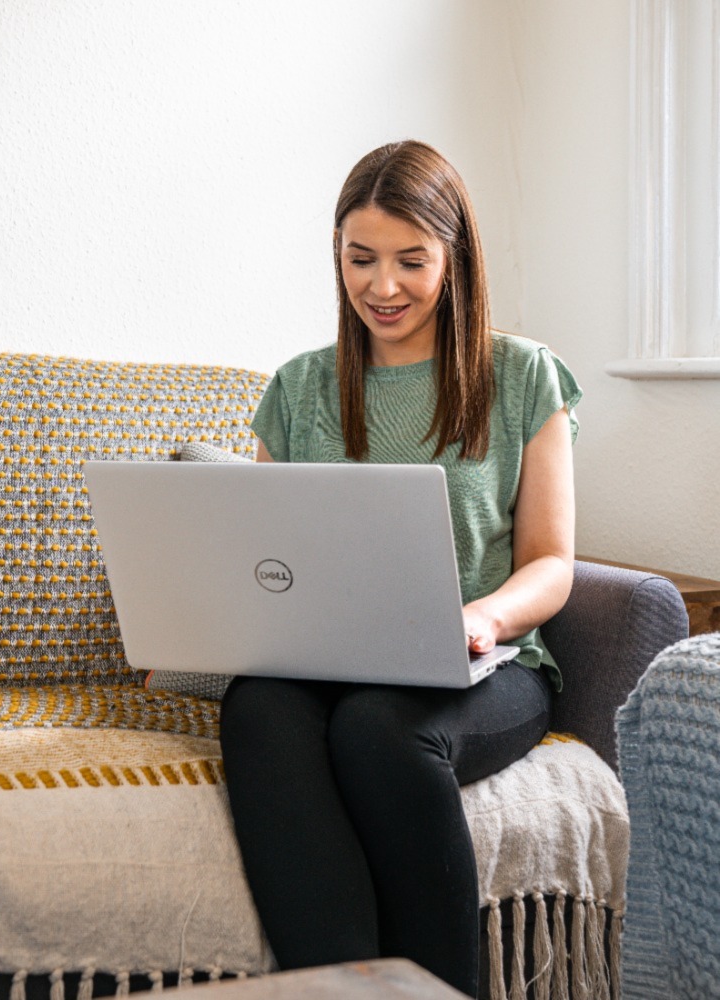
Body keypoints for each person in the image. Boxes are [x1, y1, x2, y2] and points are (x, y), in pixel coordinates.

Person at [217, 140, 581, 998]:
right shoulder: (300, 388)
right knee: (260, 707)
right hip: (327, 659)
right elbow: (268, 560)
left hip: (484, 662)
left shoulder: (522, 375)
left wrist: (484, 617)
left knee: (379, 729)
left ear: (455, 259)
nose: (383, 286)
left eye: (411, 261)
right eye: (360, 259)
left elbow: (552, 564)